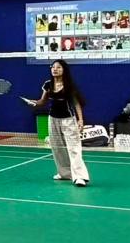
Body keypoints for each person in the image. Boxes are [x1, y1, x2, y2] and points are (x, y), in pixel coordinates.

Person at [24, 59, 90, 187]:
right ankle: (64, 174)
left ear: (64, 70)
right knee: (57, 148)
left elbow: (76, 103)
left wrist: (80, 120)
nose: (55, 69)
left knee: (74, 148)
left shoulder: (69, 85)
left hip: (68, 119)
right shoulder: (48, 84)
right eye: (53, 67)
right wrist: (34, 103)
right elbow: (42, 101)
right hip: (53, 119)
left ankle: (80, 177)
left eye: (58, 67)